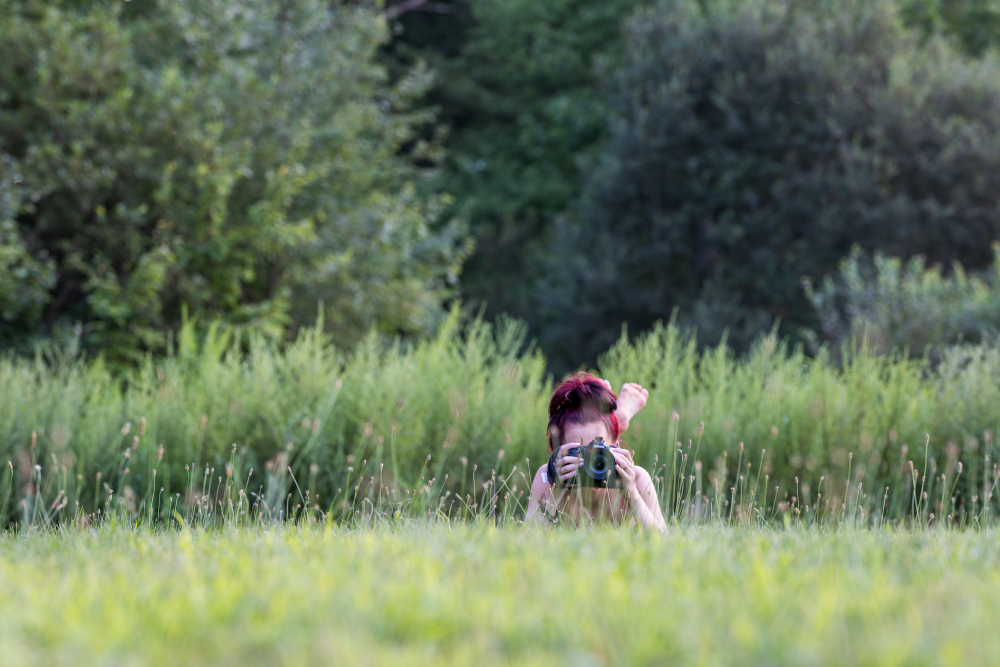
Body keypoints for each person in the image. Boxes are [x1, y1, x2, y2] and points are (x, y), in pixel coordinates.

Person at [524, 372, 667, 532]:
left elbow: (664, 539)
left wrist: (632, 494)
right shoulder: (548, 478)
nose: (589, 461)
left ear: (617, 449)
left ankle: (613, 419)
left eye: (599, 453)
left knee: (602, 434)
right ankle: (613, 420)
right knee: (600, 435)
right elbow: (526, 537)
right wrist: (556, 492)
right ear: (558, 453)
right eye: (579, 451)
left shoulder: (636, 478)